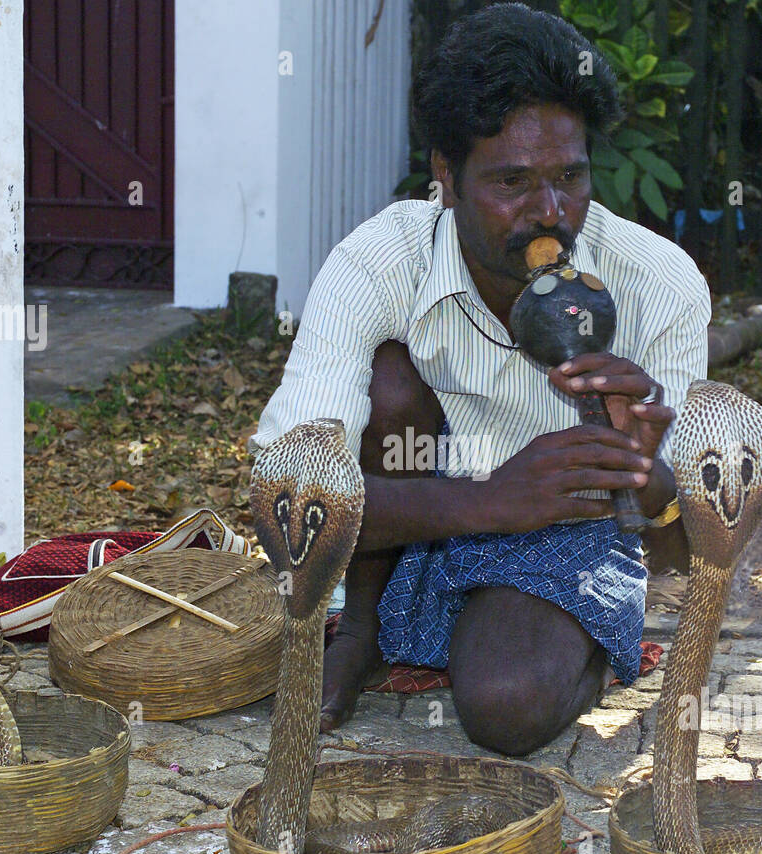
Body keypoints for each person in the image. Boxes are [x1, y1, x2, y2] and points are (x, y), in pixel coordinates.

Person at [249, 2, 709, 756]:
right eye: (512, 182)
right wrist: (489, 499)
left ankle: (589, 647)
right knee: (388, 382)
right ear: (447, 178)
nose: (550, 213)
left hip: (569, 534)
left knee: (502, 708)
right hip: (429, 510)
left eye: (570, 176)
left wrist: (641, 470)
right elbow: (285, 494)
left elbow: (688, 536)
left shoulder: (659, 281)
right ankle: (361, 629)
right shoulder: (381, 258)